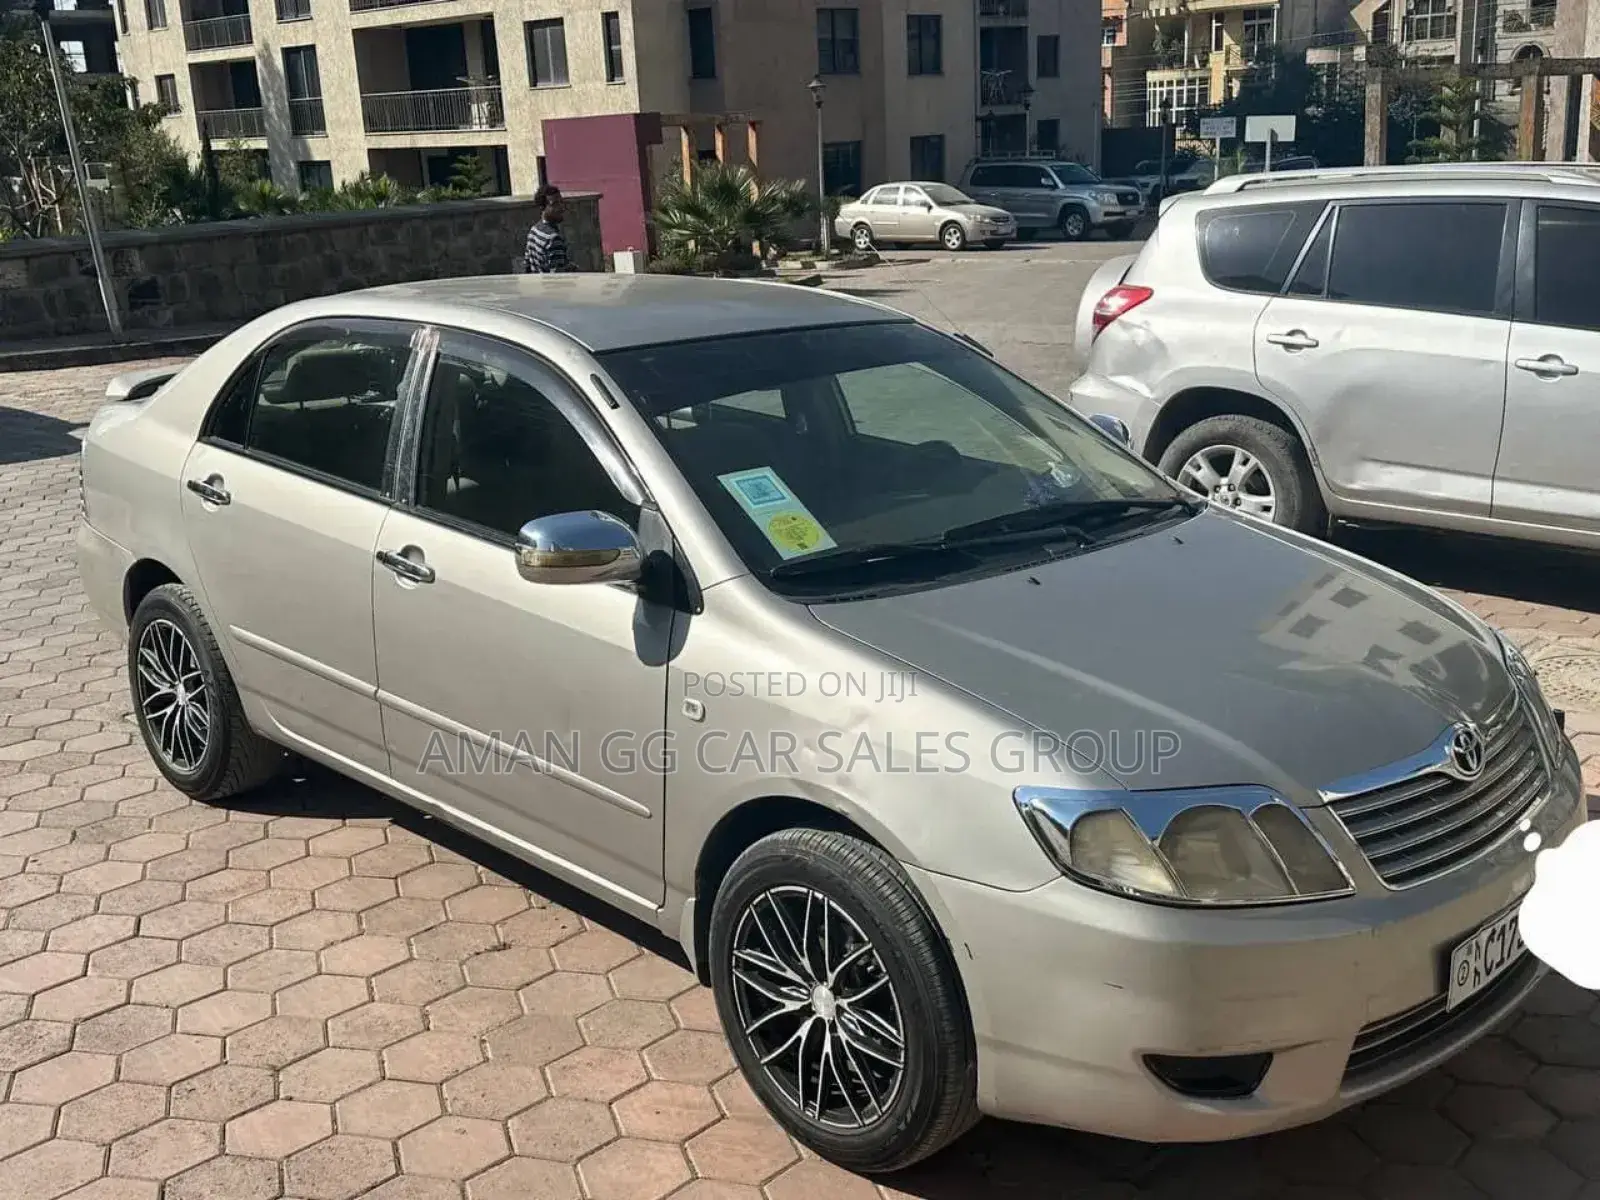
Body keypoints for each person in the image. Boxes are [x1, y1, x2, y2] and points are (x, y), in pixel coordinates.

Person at [523, 184, 574, 274]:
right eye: (555, 204)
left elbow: (527, 266)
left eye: (561, 202)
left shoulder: (533, 231)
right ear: (542, 207)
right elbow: (558, 278)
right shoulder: (553, 239)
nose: (561, 207)